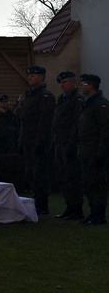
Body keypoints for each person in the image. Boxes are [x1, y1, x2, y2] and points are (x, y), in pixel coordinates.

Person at [72, 74, 109, 225]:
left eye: (83, 84)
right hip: (85, 151)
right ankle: (93, 212)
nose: (81, 87)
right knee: (88, 183)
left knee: (97, 183)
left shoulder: (101, 104)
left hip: (95, 152)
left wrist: (101, 152)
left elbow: (105, 130)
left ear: (90, 85)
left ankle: (99, 214)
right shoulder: (86, 104)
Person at [17, 66, 55, 215]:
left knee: (40, 173)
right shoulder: (29, 95)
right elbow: (24, 120)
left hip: (38, 141)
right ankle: (36, 200)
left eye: (33, 75)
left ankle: (42, 204)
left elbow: (44, 122)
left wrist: (40, 142)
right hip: (28, 140)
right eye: (29, 75)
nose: (30, 78)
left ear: (41, 77)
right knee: (31, 173)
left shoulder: (45, 96)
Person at [53, 71, 83, 220]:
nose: (62, 85)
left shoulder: (76, 99)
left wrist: (72, 143)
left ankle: (77, 208)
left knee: (72, 176)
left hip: (69, 143)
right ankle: (69, 206)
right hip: (59, 142)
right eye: (61, 83)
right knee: (62, 176)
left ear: (72, 82)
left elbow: (77, 123)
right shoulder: (62, 99)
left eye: (65, 82)